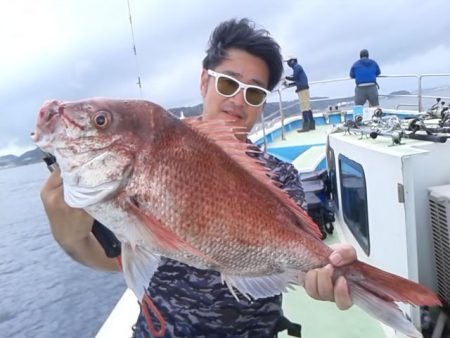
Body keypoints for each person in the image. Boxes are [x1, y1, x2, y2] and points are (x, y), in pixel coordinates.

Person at [40, 18, 357, 337]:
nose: (238, 100)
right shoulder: (134, 165)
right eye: (228, 84)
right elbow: (116, 260)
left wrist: (323, 273)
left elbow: (287, 259)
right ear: (205, 81)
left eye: (255, 92)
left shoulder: (281, 176)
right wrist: (70, 239)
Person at [284, 56, 315, 132]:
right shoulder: (297, 67)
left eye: (288, 62)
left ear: (292, 61)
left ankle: (306, 127)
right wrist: (288, 84)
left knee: (304, 108)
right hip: (303, 89)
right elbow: (297, 80)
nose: (287, 63)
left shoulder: (297, 67)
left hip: (303, 90)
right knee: (307, 107)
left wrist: (285, 77)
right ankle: (311, 125)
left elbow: (295, 77)